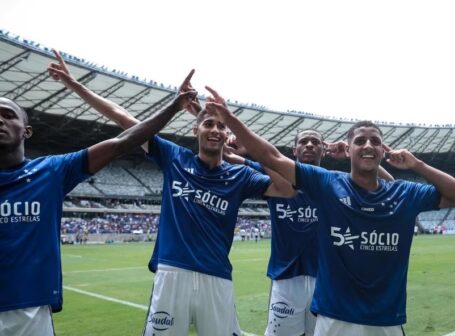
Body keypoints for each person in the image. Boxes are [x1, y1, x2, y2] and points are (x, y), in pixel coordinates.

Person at [49, 52, 295, 336]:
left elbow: (287, 187)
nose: (214, 129)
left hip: (217, 278)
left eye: (221, 126)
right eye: (208, 124)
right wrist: (75, 85)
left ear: (228, 134)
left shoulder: (241, 175)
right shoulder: (175, 158)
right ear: (196, 129)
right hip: (171, 273)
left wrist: (247, 152)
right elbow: (123, 118)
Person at [205, 92, 455, 336]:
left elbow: (454, 193)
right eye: (360, 141)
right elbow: (270, 157)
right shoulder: (325, 183)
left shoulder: (383, 190)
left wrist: (414, 163)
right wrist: (229, 123)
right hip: (316, 300)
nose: (368, 145)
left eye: (375, 141)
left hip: (371, 309)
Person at [0, 52, 198, 336]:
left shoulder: (51, 171)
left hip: (28, 309)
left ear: (27, 131)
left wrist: (174, 106)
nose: (0, 121)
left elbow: (121, 142)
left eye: (8, 115)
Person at [225, 132, 393, 336]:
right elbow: (238, 158)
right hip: (286, 278)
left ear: (324, 149)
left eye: (315, 142)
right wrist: (240, 147)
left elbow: (388, 186)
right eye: (303, 142)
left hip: (327, 281)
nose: (310, 145)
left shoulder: (337, 182)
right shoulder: (275, 176)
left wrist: (351, 154)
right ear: (294, 150)